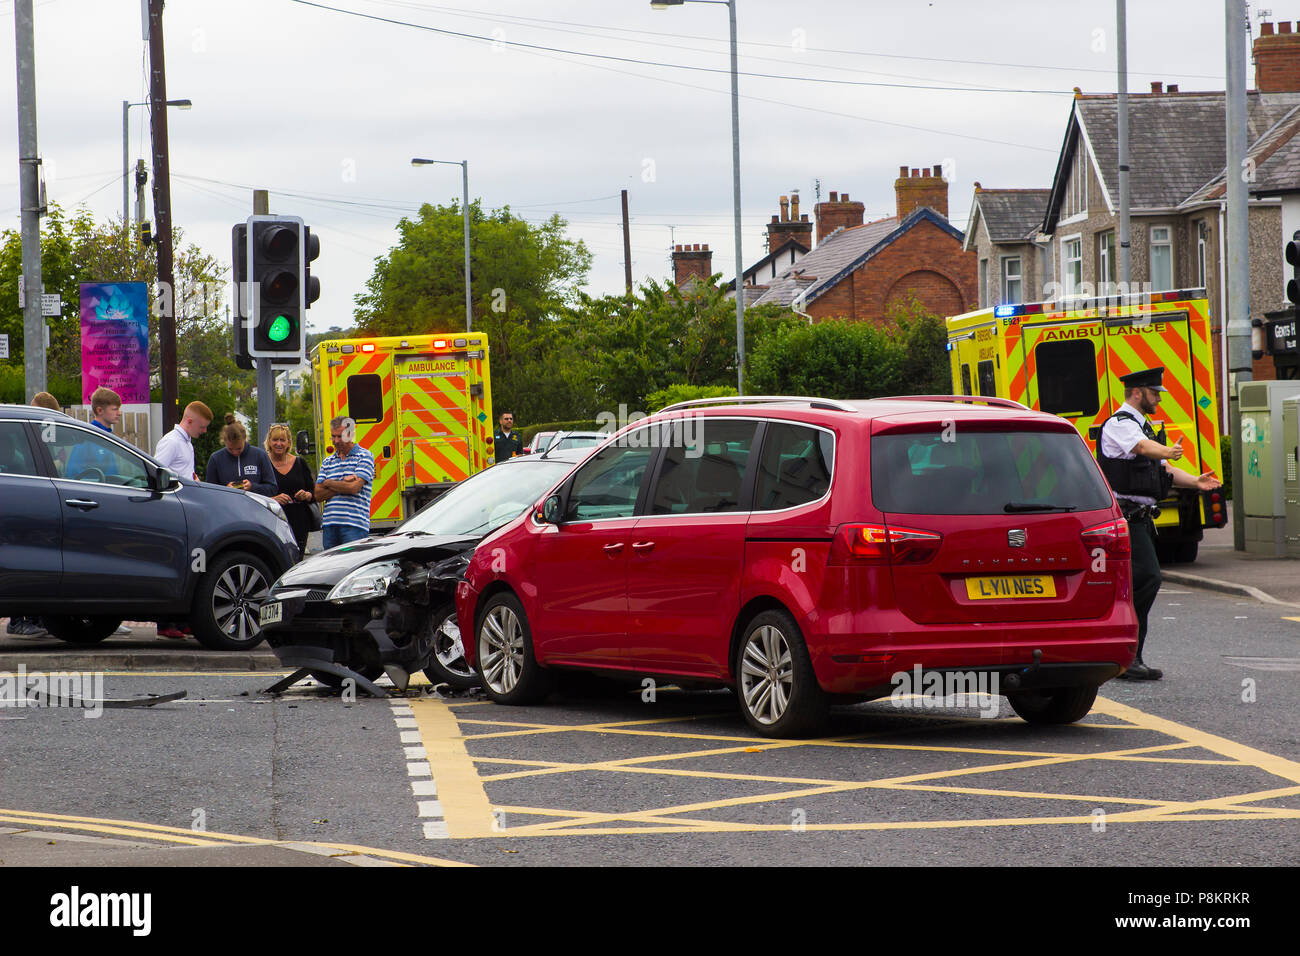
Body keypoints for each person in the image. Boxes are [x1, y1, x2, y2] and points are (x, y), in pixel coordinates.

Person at [1097, 366, 1221, 681]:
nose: (1158, 399)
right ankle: (1127, 654)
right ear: (1137, 393)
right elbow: (1141, 449)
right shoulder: (1120, 424)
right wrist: (1167, 450)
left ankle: (1124, 655)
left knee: (1137, 582)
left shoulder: (1145, 427)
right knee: (1147, 578)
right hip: (1124, 519)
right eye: (1154, 393)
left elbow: (1163, 468)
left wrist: (1196, 481)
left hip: (1140, 519)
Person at [6, 393, 65, 638]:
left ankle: (32, 618)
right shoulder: (20, 439)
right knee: (23, 565)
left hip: (30, 507)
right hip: (22, 509)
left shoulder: (32, 440)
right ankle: (19, 620)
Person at [315, 416, 375, 550]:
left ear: (351, 434)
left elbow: (354, 488)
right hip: (329, 525)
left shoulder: (365, 456)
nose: (335, 441)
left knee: (352, 566)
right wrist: (343, 484)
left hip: (354, 526)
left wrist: (328, 482)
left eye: (340, 436)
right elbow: (318, 495)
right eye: (333, 436)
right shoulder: (328, 461)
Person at [265, 423, 316, 557]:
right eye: (275, 440)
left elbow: (313, 491)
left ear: (289, 443)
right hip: (272, 521)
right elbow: (254, 493)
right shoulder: (263, 463)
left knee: (296, 560)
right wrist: (273, 499)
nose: (279, 444)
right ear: (269, 442)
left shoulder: (299, 463)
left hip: (298, 522)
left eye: (282, 440)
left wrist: (306, 495)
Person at [204, 414, 278, 496]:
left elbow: (273, 488)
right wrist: (225, 490)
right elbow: (209, 492)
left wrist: (252, 487)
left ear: (245, 439)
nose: (235, 452)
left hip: (254, 507)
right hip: (227, 507)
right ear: (224, 442)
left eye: (239, 448)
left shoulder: (260, 455)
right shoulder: (215, 458)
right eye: (230, 449)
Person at [65, 386, 122, 480]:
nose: (119, 413)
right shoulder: (86, 439)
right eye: (115, 409)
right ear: (99, 410)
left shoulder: (108, 437)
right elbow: (73, 476)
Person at [154, 401, 212, 480]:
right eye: (202, 427)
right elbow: (155, 473)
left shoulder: (187, 442)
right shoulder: (171, 441)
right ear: (189, 421)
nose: (205, 431)